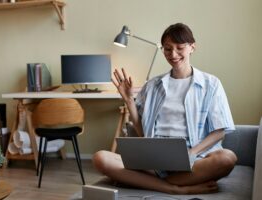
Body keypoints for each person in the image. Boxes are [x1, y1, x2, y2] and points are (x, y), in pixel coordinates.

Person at [92, 23, 237, 194]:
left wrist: (191, 153)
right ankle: (174, 188)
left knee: (227, 158)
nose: (173, 54)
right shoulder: (153, 85)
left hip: (194, 158)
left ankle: (154, 181)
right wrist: (129, 100)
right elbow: (142, 130)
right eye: (167, 49)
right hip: (154, 157)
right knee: (100, 158)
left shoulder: (211, 84)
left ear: (192, 47)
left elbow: (219, 131)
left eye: (179, 48)